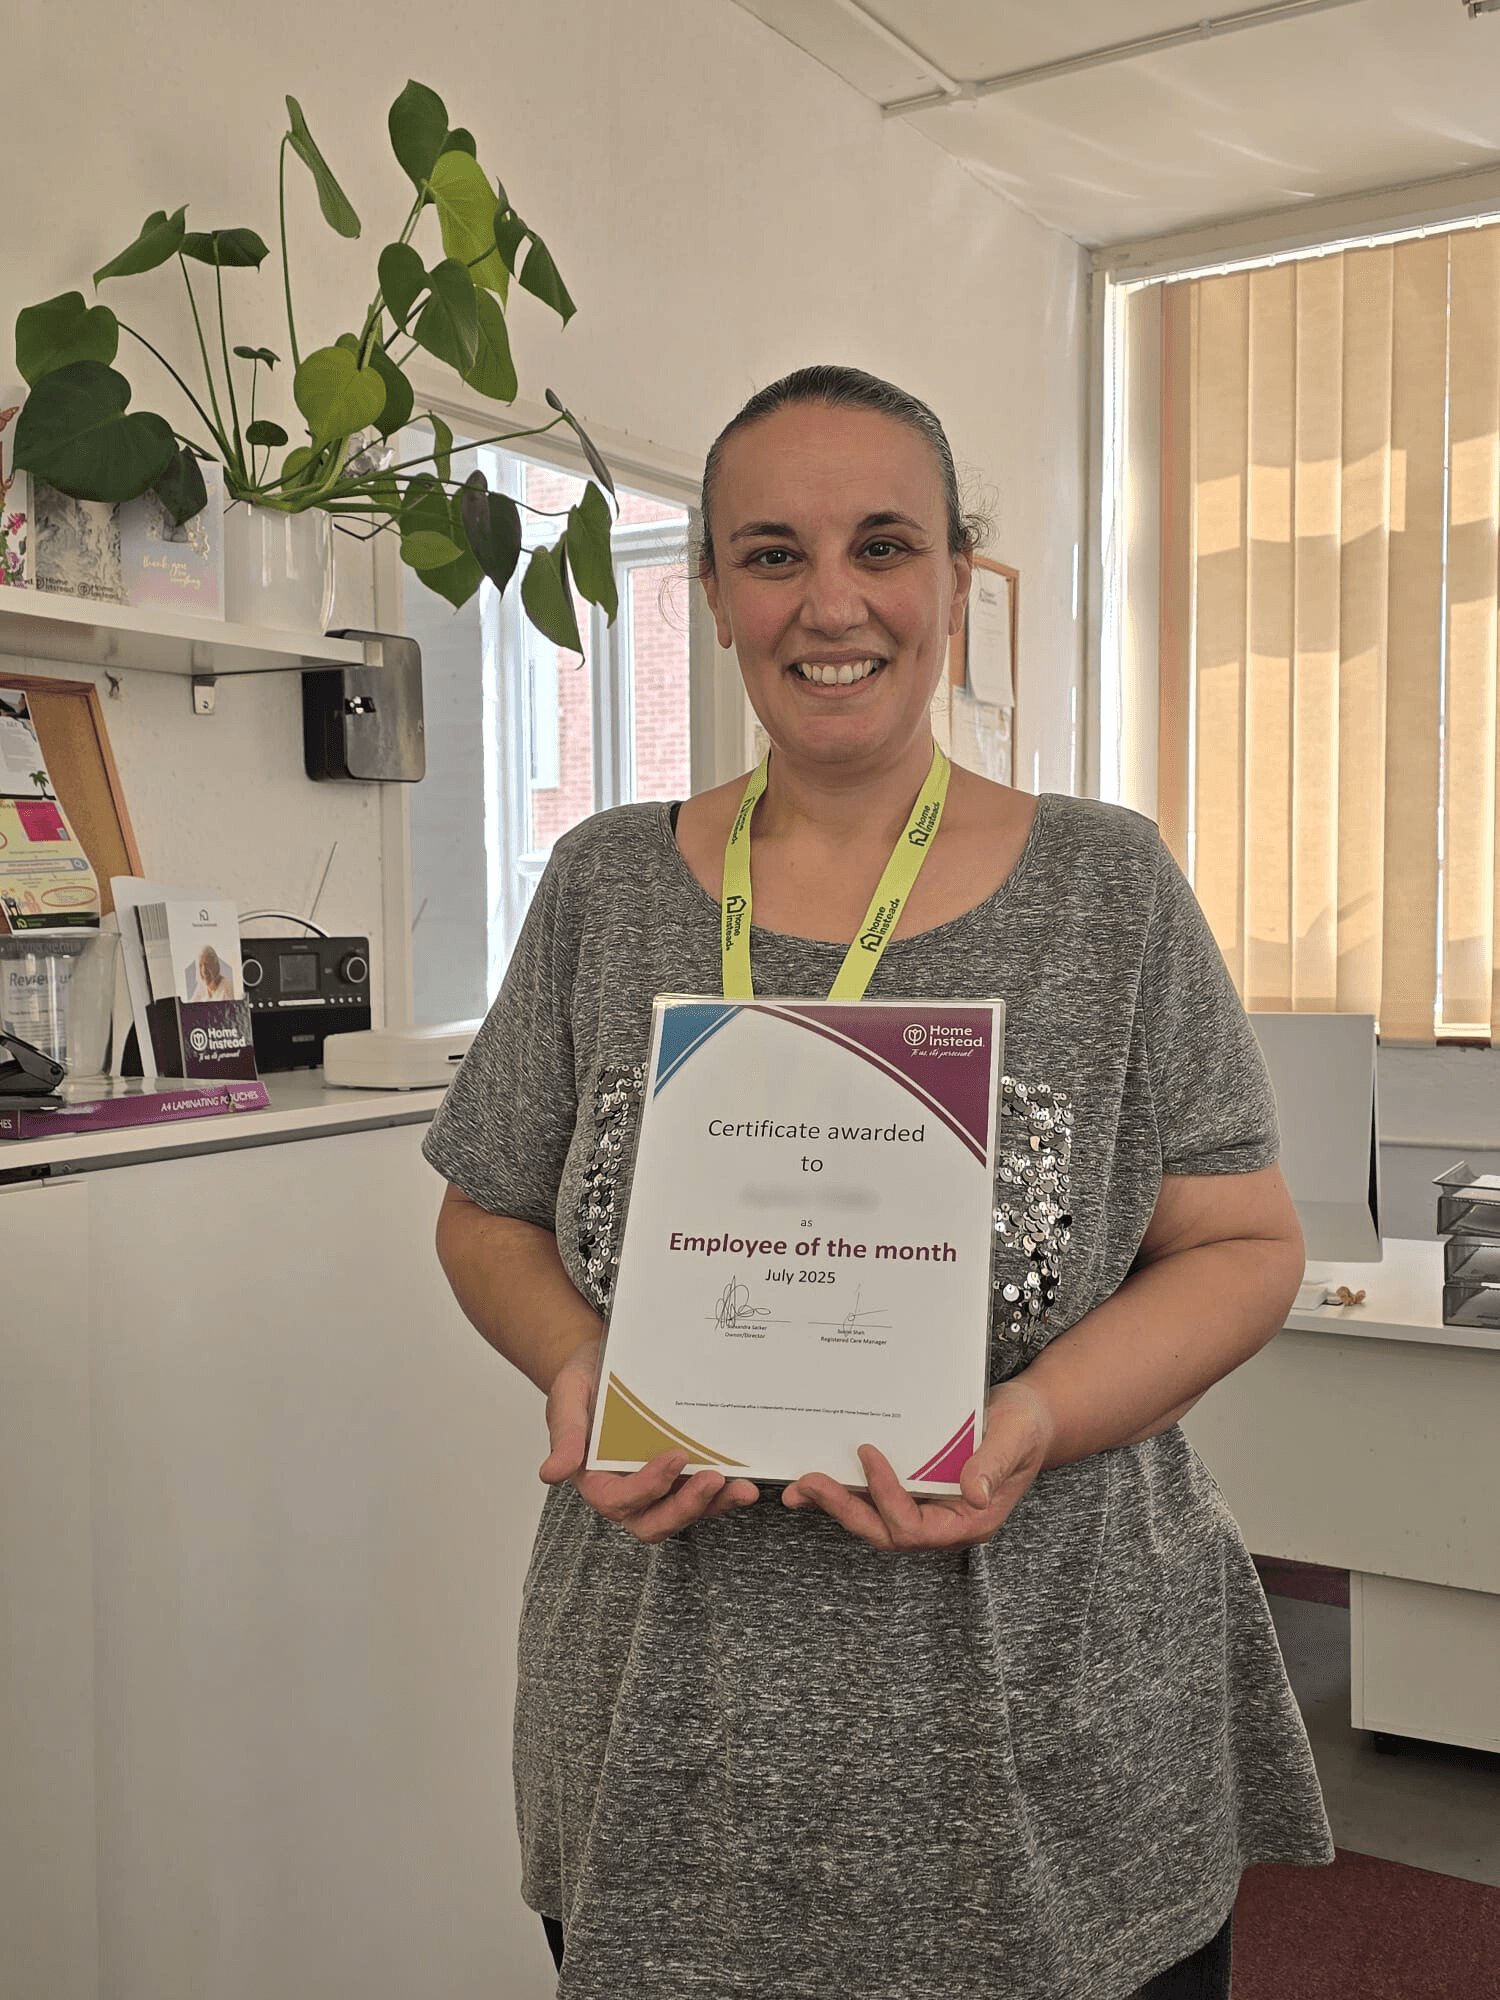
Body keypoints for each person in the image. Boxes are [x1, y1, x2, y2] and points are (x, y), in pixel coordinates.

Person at [424, 364, 1333, 2000]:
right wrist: (581, 1367)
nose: (829, 602)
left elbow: (1244, 1242)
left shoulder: (1105, 887)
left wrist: (1034, 1418)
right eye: (771, 552)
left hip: (1050, 1716)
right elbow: (485, 1208)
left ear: (954, 588)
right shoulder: (603, 885)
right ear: (708, 592)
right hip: (666, 1732)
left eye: (883, 545)